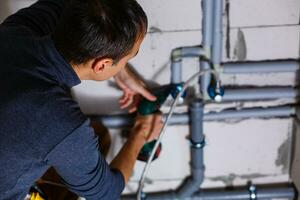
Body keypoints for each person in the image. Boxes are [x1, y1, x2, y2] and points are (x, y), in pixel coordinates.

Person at [0, 0, 163, 199]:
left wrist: (120, 70)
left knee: (98, 137)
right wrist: (140, 134)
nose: (126, 63)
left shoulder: (17, 31)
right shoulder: (60, 123)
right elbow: (106, 191)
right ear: (101, 65)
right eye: (129, 58)